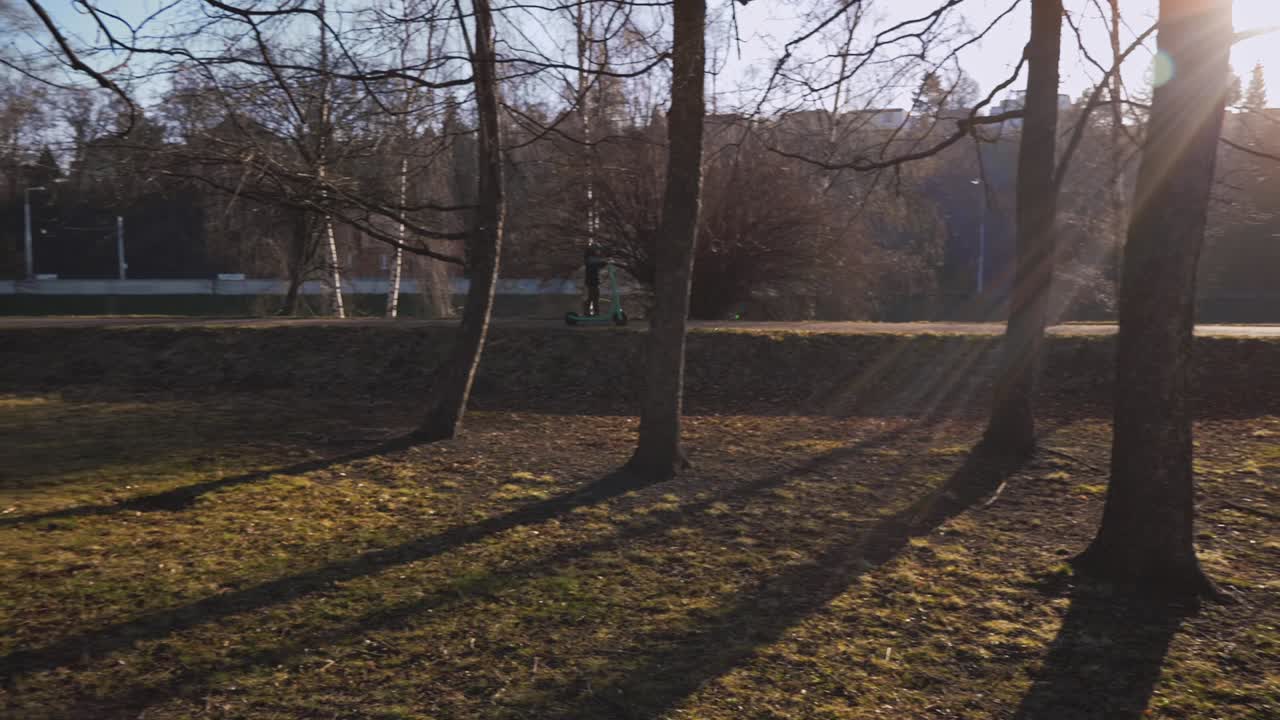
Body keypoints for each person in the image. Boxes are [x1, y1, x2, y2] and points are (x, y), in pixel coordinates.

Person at [583, 240, 606, 316]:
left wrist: (604, 263)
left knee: (595, 297)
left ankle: (595, 312)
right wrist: (604, 262)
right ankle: (589, 312)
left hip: (594, 281)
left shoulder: (593, 259)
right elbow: (596, 262)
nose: (598, 252)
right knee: (593, 296)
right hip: (591, 281)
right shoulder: (590, 259)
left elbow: (600, 264)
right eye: (597, 250)